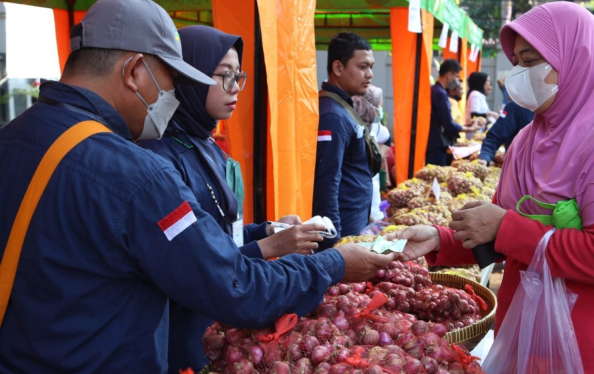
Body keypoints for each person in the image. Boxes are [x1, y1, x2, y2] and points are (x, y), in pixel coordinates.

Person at [0, 1, 397, 372]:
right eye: (171, 82)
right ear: (134, 72)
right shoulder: (136, 174)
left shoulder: (13, 137)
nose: (172, 97)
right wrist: (332, 265)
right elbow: (235, 286)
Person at [387, 2, 594, 373]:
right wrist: (441, 239)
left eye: (531, 61)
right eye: (516, 61)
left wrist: (505, 227)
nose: (518, 73)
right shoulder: (526, 141)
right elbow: (503, 236)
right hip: (520, 340)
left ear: (577, 60)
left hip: (588, 350)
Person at [136, 26, 324, 372]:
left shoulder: (208, 144)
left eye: (239, 76)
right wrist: (272, 247)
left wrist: (266, 230)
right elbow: (195, 266)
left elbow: (219, 234)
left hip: (217, 322)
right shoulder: (157, 157)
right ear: (188, 75)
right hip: (179, 334)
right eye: (224, 76)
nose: (235, 87)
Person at [313, 32, 375, 250]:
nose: (369, 74)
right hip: (342, 238)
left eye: (371, 67)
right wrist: (335, 242)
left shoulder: (343, 107)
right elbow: (326, 182)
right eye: (362, 67)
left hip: (353, 228)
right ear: (338, 68)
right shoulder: (332, 115)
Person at [426, 59, 479, 166]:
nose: (457, 80)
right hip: (437, 143)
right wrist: (469, 129)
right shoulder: (440, 93)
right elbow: (448, 123)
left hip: (433, 141)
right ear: (449, 75)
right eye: (456, 76)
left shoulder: (435, 90)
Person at [353, 84, 390, 222]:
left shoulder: (376, 127)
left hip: (372, 193)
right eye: (378, 106)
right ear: (367, 106)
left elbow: (387, 139)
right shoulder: (352, 128)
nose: (379, 111)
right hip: (357, 203)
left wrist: (378, 156)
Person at [477, 101, 534, 166]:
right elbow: (496, 135)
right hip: (520, 170)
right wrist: (485, 157)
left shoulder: (547, 114)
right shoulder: (517, 107)